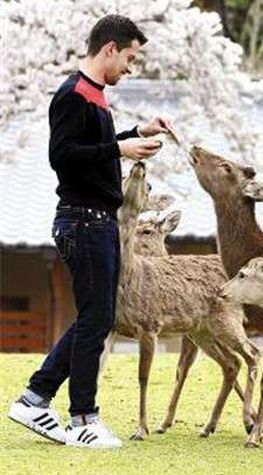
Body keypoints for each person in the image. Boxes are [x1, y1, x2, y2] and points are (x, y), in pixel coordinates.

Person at [7, 14, 174, 449]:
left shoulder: (94, 96)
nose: (131, 68)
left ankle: (35, 398)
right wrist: (119, 148)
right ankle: (82, 418)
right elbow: (62, 156)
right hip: (83, 221)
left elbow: (92, 149)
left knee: (94, 318)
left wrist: (137, 134)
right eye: (131, 58)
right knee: (97, 319)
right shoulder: (73, 94)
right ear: (110, 49)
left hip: (97, 221)